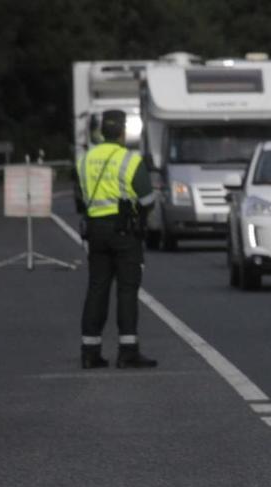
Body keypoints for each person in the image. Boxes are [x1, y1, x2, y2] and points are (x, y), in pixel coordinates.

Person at [77, 110, 158, 369]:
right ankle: (128, 351)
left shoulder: (85, 160)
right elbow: (147, 200)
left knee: (97, 288)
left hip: (95, 231)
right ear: (123, 132)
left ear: (101, 132)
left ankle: (90, 352)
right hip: (124, 232)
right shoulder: (129, 160)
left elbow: (80, 198)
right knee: (127, 290)